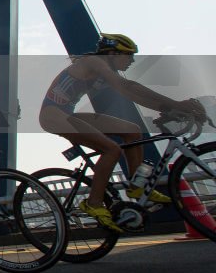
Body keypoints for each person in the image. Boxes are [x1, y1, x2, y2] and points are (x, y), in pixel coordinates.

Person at [39, 32, 205, 231]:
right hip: (53, 115)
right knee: (112, 150)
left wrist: (168, 108)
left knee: (132, 131)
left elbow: (129, 92)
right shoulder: (95, 61)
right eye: (129, 55)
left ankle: (136, 186)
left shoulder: (104, 68)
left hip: (66, 112)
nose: (132, 60)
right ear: (112, 53)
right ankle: (93, 203)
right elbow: (127, 85)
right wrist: (174, 103)